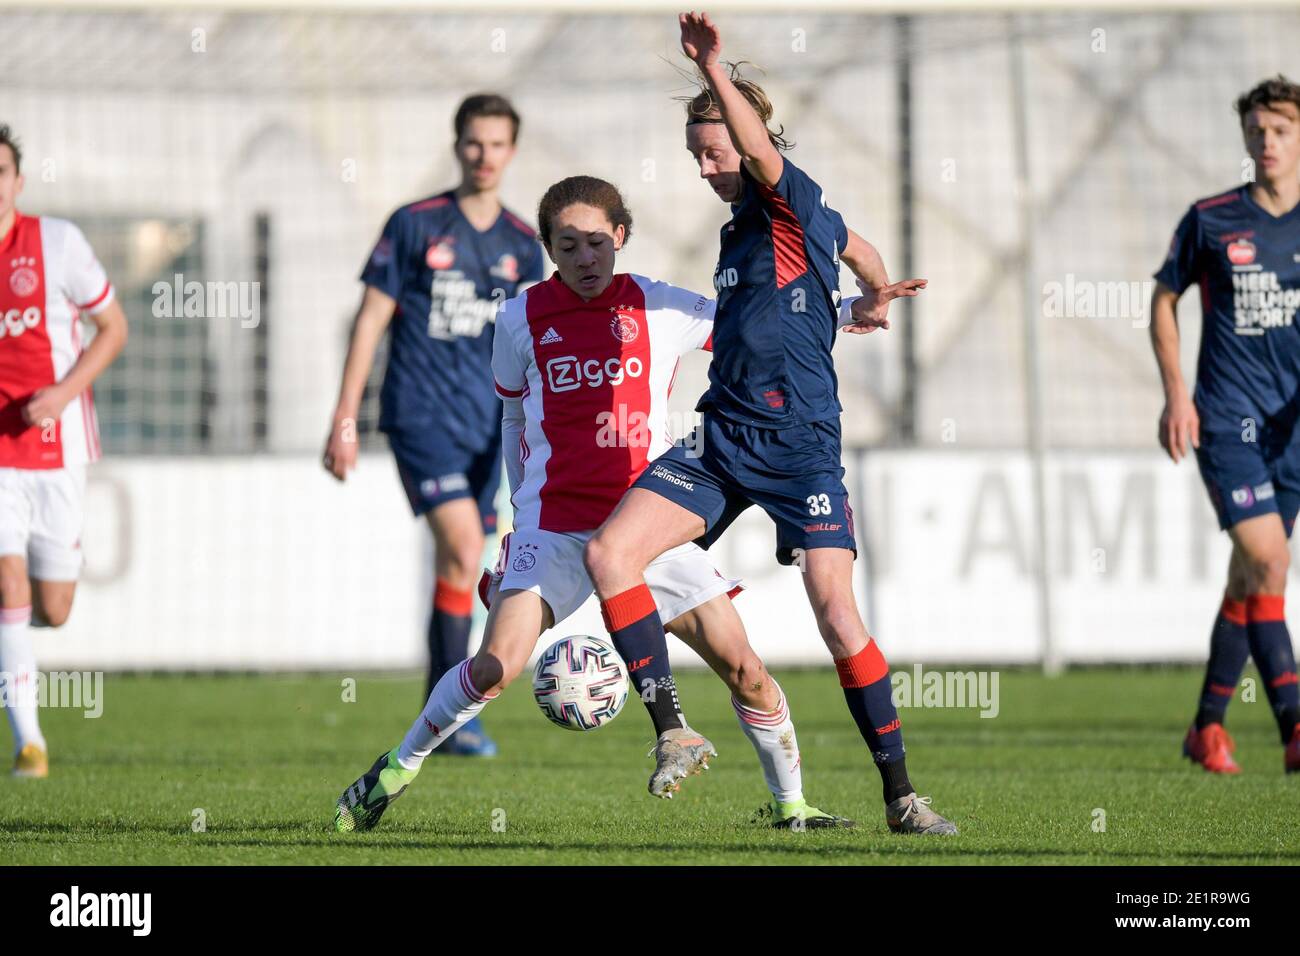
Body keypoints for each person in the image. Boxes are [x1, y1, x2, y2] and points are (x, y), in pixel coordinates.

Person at [333, 175, 856, 832]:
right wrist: (518, 516)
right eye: (568, 246)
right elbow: (514, 419)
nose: (585, 259)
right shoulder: (518, 317)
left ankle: (793, 808)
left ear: (622, 237)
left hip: (645, 524)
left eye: (597, 243)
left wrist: (850, 307)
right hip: (554, 528)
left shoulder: (661, 307)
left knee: (746, 669)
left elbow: (765, 326)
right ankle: (395, 769)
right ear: (549, 249)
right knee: (494, 667)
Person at [581, 12, 957, 835]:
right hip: (721, 439)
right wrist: (870, 296)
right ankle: (672, 730)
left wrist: (714, 69)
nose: (707, 167)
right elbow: (855, 246)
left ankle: (901, 796)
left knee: (834, 610)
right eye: (696, 156)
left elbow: (763, 158)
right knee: (611, 553)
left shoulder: (787, 195)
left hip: (801, 447)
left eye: (713, 151)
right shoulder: (762, 228)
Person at [323, 94, 544, 756]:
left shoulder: (523, 245)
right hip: (420, 415)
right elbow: (371, 319)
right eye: (474, 143)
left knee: (463, 565)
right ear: (457, 146)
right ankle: (455, 716)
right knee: (458, 545)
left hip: (488, 426)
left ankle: (440, 711)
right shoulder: (415, 224)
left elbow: (530, 343)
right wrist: (344, 416)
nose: (484, 156)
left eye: (497, 145)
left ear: (512, 151)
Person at [1151, 75, 1300, 774]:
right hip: (1228, 422)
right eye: (1257, 130)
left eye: (1280, 130)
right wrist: (1178, 394)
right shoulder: (1212, 218)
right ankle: (1295, 727)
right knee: (1272, 559)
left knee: (1250, 577)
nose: (1266, 141)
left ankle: (1206, 727)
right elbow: (1163, 297)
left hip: (1291, 433)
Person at [0, 124, 129, 778]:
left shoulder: (57, 243)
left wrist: (63, 391)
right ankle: (30, 743)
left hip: (58, 446)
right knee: (8, 581)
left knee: (53, 607)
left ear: (17, 182)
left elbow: (113, 327)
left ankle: (10, 640)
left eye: (0, 170)